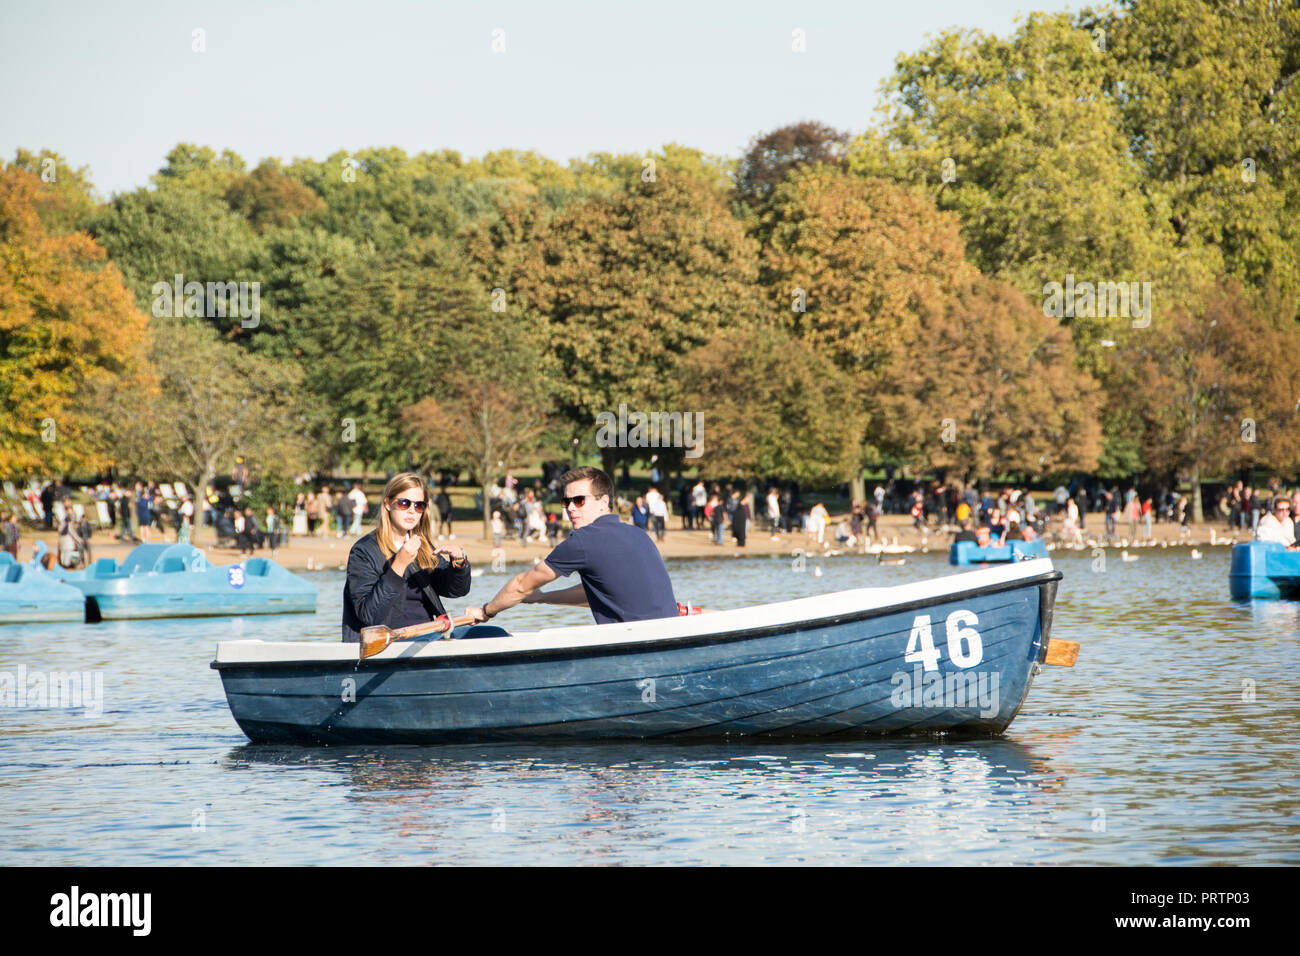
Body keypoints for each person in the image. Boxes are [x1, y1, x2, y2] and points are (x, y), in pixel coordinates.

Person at [467, 467, 677, 627]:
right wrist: (542, 598)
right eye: (565, 501)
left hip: (636, 644)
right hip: (671, 632)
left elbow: (522, 584)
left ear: (604, 502)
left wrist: (486, 611)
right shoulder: (639, 534)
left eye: (579, 500)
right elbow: (602, 593)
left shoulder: (582, 541)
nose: (570, 508)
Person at [341, 473, 471, 644]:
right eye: (404, 503)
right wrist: (399, 565)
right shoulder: (364, 551)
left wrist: (459, 563)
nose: (412, 510)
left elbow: (455, 591)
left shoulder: (422, 546)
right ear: (388, 503)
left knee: (492, 633)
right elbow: (369, 615)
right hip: (386, 643)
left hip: (429, 635)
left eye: (419, 505)